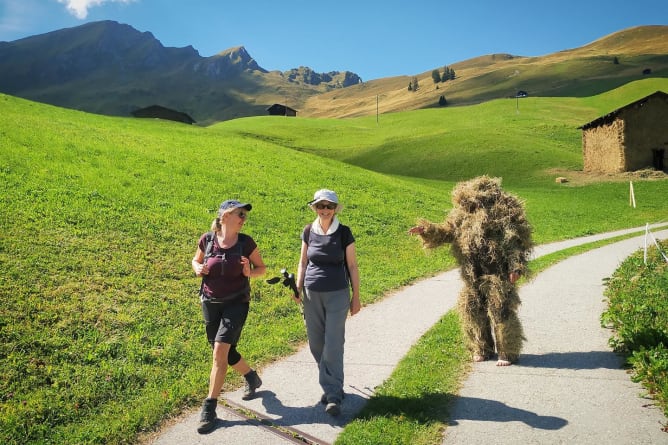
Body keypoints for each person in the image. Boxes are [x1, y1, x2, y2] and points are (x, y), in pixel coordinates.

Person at [408, 176, 532, 366]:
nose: (470, 204)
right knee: (472, 310)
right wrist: (426, 230)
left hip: (496, 273)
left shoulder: (501, 212)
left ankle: (507, 352)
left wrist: (515, 266)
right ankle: (482, 348)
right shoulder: (461, 215)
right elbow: (446, 232)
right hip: (472, 274)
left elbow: (513, 242)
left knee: (500, 311)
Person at [191, 200, 267, 434]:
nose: (243, 218)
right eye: (239, 214)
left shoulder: (246, 243)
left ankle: (209, 408)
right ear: (224, 217)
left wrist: (248, 272)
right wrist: (196, 267)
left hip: (236, 303)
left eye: (244, 215)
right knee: (225, 351)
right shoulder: (208, 239)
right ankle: (251, 377)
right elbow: (196, 260)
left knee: (219, 352)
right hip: (210, 302)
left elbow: (262, 269)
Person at [295, 189, 361, 416]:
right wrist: (298, 286)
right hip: (311, 293)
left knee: (333, 343)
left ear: (334, 209)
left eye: (329, 206)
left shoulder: (344, 233)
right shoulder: (308, 231)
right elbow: (303, 262)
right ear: (315, 208)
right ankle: (330, 382)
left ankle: (333, 394)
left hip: (338, 294)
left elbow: (352, 266)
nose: (325, 210)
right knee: (316, 343)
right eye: (321, 206)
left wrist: (356, 296)